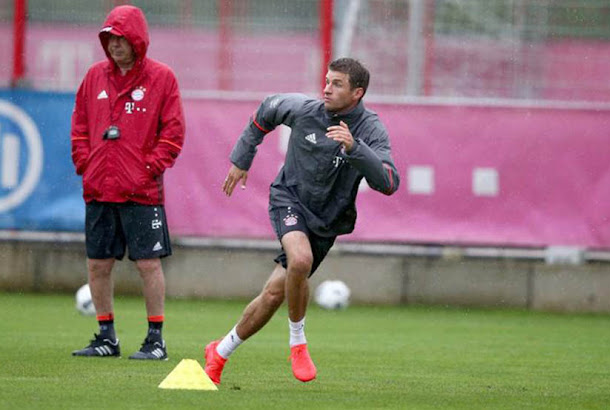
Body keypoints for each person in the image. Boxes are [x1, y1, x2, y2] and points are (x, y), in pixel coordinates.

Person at [203, 58, 399, 384]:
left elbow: (389, 182)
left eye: (337, 84)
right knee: (301, 260)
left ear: (357, 93)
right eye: (327, 80)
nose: (326, 88)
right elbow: (266, 111)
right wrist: (242, 158)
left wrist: (355, 147)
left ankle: (219, 352)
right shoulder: (303, 109)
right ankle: (298, 342)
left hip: (327, 221)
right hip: (289, 199)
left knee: (272, 294)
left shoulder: (370, 129)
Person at [70, 5, 185, 360]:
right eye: (109, 38)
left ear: (137, 40)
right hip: (99, 188)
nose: (114, 45)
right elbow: (79, 126)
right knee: (98, 264)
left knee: (148, 264)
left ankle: (156, 340)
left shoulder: (162, 77)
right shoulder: (94, 76)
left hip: (141, 191)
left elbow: (174, 133)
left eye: (121, 38)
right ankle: (106, 337)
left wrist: (148, 168)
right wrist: (86, 163)